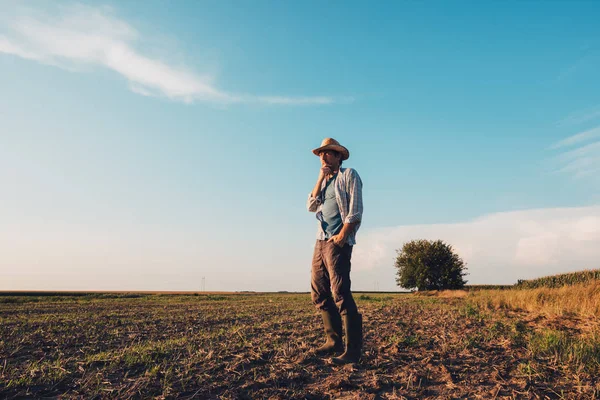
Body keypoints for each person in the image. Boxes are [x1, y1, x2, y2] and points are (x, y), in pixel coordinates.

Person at [306, 138, 363, 364]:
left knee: (340, 292)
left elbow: (355, 210)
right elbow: (310, 206)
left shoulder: (348, 175)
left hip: (338, 240)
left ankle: (352, 351)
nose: (324, 157)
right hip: (321, 240)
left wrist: (342, 235)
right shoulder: (325, 182)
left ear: (339, 156)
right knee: (319, 291)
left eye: (329, 153)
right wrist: (320, 177)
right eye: (321, 154)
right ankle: (333, 341)